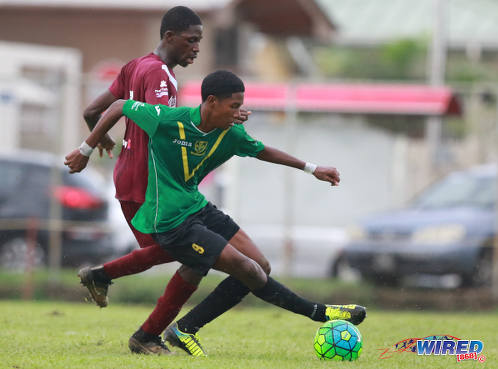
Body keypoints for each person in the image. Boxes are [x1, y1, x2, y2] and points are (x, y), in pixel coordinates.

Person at [65, 70, 367, 357]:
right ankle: (320, 312)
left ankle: (182, 329)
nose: (239, 112)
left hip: (197, 208)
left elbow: (262, 150)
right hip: (170, 220)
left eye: (241, 105)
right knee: (246, 270)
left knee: (260, 264)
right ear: (211, 102)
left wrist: (313, 169)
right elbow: (119, 105)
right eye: (233, 105)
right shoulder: (169, 120)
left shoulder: (231, 133)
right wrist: (86, 149)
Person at [76, 6, 229, 355]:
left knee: (177, 253)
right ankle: (143, 333)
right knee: (193, 256)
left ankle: (111, 288)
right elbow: (164, 129)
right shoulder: (160, 76)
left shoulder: (134, 66)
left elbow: (91, 111)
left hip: (128, 178)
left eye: (200, 42)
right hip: (150, 184)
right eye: (191, 41)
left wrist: (101, 138)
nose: (196, 48)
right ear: (169, 37)